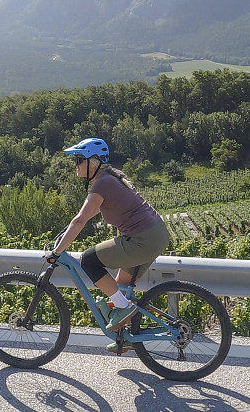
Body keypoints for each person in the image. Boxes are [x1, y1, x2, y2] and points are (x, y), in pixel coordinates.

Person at [50, 138, 170, 353]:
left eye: (79, 160)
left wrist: (57, 251)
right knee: (119, 290)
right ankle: (125, 337)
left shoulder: (102, 184)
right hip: (156, 235)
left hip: (142, 240)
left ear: (93, 162)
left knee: (88, 260)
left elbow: (79, 221)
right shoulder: (112, 177)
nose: (75, 165)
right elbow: (87, 215)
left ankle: (124, 311)